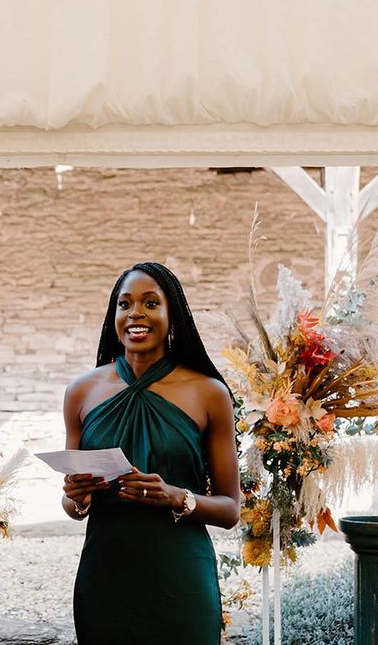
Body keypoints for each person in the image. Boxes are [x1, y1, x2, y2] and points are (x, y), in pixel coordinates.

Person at [62, 262, 240, 645]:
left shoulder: (209, 393)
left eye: (150, 303)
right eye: (124, 304)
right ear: (114, 316)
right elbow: (71, 505)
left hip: (181, 578)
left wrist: (176, 496)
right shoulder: (81, 391)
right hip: (104, 577)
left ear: (172, 314)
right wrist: (75, 497)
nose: (135, 314)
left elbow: (230, 510)